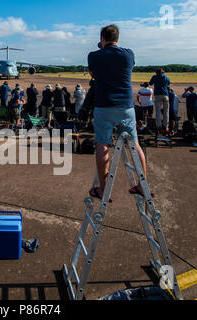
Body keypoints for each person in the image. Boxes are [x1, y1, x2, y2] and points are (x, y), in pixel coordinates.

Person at [88, 24, 148, 200]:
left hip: (104, 105)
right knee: (134, 144)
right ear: (117, 38)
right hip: (126, 106)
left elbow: (94, 74)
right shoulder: (128, 54)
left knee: (102, 144)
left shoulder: (94, 56)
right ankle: (142, 185)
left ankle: (103, 188)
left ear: (102, 39)